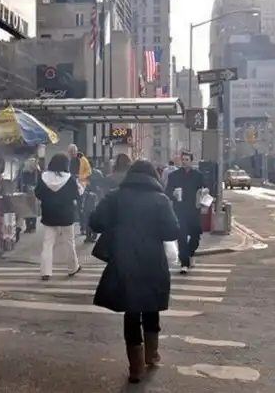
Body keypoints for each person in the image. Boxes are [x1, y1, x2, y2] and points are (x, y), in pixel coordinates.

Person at [89, 160, 180, 383]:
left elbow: (95, 222)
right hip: (152, 260)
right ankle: (151, 354)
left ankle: (135, 367)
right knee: (151, 306)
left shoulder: (115, 196)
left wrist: (117, 225)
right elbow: (172, 231)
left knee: (131, 310)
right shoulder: (160, 199)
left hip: (124, 259)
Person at [35, 153, 83, 281]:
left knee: (48, 243)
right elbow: (77, 194)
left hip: (49, 213)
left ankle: (45, 271)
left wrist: (47, 200)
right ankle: (73, 268)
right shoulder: (69, 178)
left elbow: (37, 193)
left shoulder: (43, 177)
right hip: (66, 214)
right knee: (69, 242)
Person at [165, 151, 205, 274]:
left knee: (195, 236)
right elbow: (167, 191)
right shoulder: (174, 176)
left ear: (191, 161)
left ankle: (190, 253)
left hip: (194, 210)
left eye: (187, 160)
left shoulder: (198, 176)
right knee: (181, 237)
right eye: (183, 160)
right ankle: (184, 263)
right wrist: (174, 194)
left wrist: (204, 193)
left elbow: (205, 188)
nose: (184, 162)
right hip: (180, 210)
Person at [20, 157, 41, 234]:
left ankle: (33, 226)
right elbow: (21, 181)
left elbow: (40, 181)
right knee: (27, 209)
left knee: (33, 209)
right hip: (26, 191)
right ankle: (28, 226)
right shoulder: (24, 171)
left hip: (34, 192)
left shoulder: (37, 172)